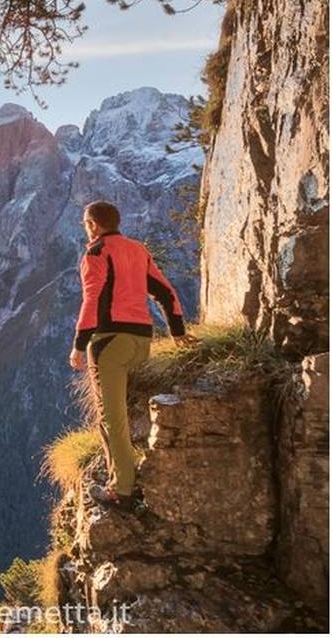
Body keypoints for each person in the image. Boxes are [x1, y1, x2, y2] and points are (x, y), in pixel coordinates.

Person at [68, 200, 195, 511]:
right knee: (123, 411)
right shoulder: (138, 249)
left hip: (110, 345)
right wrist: (177, 332)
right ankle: (131, 472)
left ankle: (122, 490)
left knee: (112, 419)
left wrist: (79, 343)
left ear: (93, 224)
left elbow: (92, 299)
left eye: (86, 223)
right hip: (142, 342)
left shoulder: (96, 252)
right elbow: (165, 292)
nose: (87, 229)